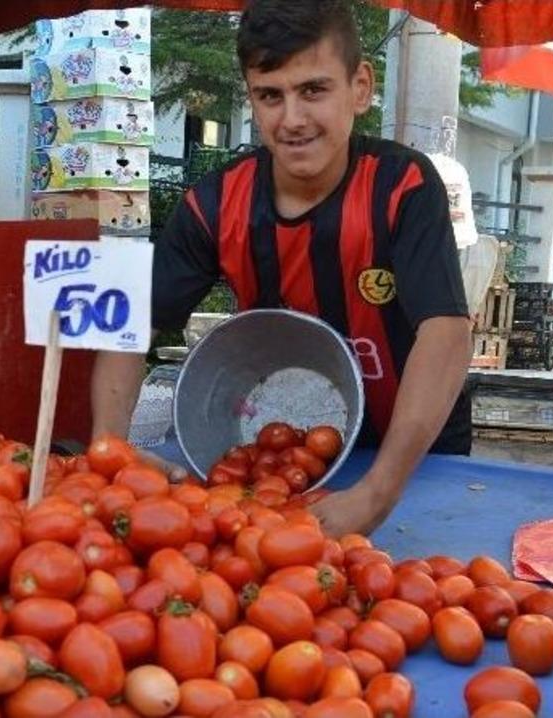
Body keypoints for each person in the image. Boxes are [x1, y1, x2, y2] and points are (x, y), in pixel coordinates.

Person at [90, 0, 472, 537]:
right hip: (280, 463)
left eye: (313, 90)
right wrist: (112, 450)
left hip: (413, 460)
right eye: (270, 95)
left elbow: (448, 331)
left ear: (360, 87)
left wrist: (378, 492)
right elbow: (129, 322)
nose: (291, 119)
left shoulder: (402, 185)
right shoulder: (215, 204)